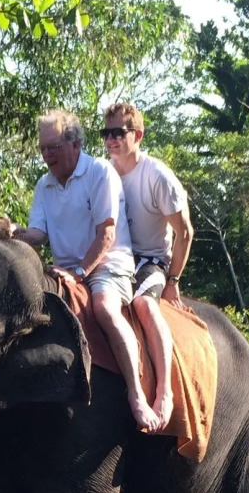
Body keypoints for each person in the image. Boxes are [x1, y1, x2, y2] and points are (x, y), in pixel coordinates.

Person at [10, 109, 164, 433]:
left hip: (108, 264)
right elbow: (38, 234)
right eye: (43, 148)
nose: (47, 154)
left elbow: (106, 235)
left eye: (53, 146)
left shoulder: (99, 173)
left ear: (76, 144)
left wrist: (80, 273)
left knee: (105, 309)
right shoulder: (44, 185)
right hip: (64, 268)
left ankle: (136, 394)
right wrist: (14, 233)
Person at [102, 102, 195, 427]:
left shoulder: (157, 176)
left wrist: (173, 281)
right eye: (106, 133)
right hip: (114, 258)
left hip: (150, 260)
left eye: (118, 132)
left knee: (143, 303)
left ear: (137, 135)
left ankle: (165, 392)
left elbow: (185, 231)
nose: (111, 140)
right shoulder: (103, 173)